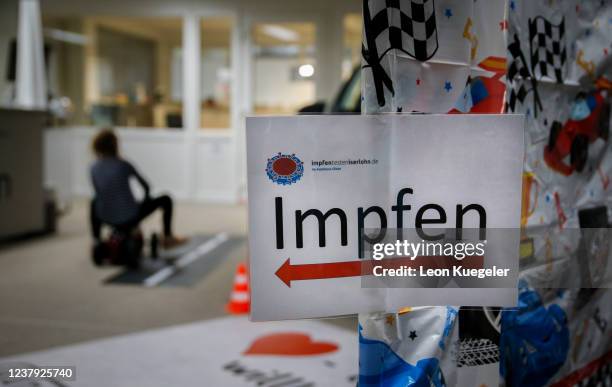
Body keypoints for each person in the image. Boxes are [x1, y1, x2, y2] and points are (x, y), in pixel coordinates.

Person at [89, 129, 185, 248]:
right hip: (131, 216)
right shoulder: (123, 165)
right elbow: (146, 186)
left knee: (94, 202)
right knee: (166, 199)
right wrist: (145, 200)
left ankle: (96, 240)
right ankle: (167, 237)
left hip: (107, 217)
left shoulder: (93, 168)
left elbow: (99, 193)